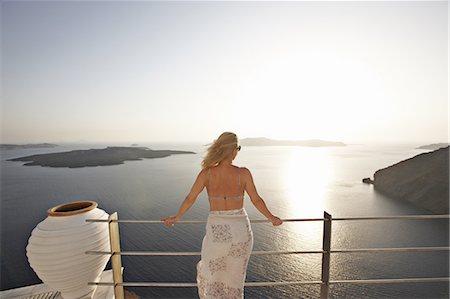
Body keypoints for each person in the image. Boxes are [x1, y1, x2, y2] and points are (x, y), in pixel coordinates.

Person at [161, 132, 282, 299]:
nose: (237, 151)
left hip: (218, 232)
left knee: (213, 273)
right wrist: (272, 218)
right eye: (238, 148)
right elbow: (256, 200)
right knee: (234, 278)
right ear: (232, 150)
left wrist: (177, 217)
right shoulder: (244, 173)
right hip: (241, 232)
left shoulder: (207, 173)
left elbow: (191, 197)